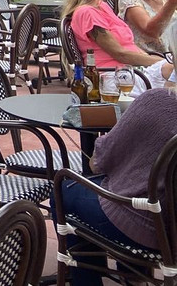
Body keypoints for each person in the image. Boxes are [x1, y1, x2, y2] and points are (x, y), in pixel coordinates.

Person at [53, 87, 177, 286]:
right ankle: (133, 276)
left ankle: (89, 279)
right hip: (171, 234)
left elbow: (97, 162)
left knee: (63, 190)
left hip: (149, 230)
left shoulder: (159, 101)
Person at [62, 0, 172, 88]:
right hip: (114, 76)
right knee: (172, 71)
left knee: (171, 72)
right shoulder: (87, 13)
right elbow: (120, 54)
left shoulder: (101, 6)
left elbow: (128, 47)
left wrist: (157, 61)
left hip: (131, 70)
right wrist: (161, 62)